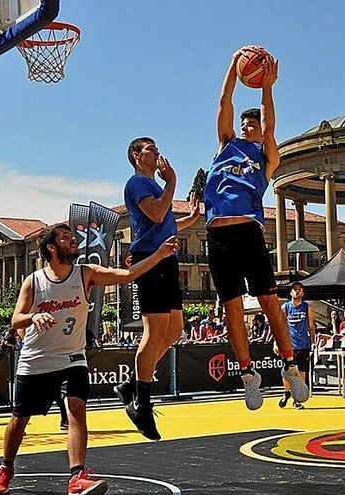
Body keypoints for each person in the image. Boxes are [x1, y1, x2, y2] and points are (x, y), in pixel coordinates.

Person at [0, 224, 176, 495]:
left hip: (72, 359)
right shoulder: (34, 281)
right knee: (19, 421)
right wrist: (33, 317)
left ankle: (77, 476)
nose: (73, 240)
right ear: (52, 248)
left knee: (77, 411)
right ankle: (5, 469)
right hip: (36, 360)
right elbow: (15, 319)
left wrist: (159, 255)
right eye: (66, 237)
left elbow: (127, 275)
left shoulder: (85, 273)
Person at [202, 47, 308, 410]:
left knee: (268, 302)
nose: (248, 126)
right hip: (218, 235)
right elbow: (224, 100)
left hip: (248, 233)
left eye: (254, 124)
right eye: (245, 123)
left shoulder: (265, 158)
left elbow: (271, 122)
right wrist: (232, 66)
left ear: (262, 132)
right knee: (231, 308)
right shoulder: (225, 146)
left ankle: (291, 366)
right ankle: (248, 374)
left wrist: (268, 87)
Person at [113, 137, 200, 441]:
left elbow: (168, 222)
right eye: (150, 148)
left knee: (175, 329)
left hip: (165, 256)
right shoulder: (137, 183)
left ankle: (132, 387)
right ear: (136, 155)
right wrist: (173, 181)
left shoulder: (153, 187)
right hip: (151, 258)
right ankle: (142, 406)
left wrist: (192, 217)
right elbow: (157, 214)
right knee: (155, 329)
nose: (157, 151)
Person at [278, 282, 315, 410]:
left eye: (299, 290)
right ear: (290, 293)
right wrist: (276, 343)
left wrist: (313, 341)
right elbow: (280, 326)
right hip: (289, 345)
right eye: (294, 290)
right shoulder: (286, 307)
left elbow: (311, 325)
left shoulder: (307, 306)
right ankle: (286, 393)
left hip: (303, 344)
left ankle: (298, 398)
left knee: (301, 372)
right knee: (287, 371)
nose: (297, 292)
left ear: (303, 293)